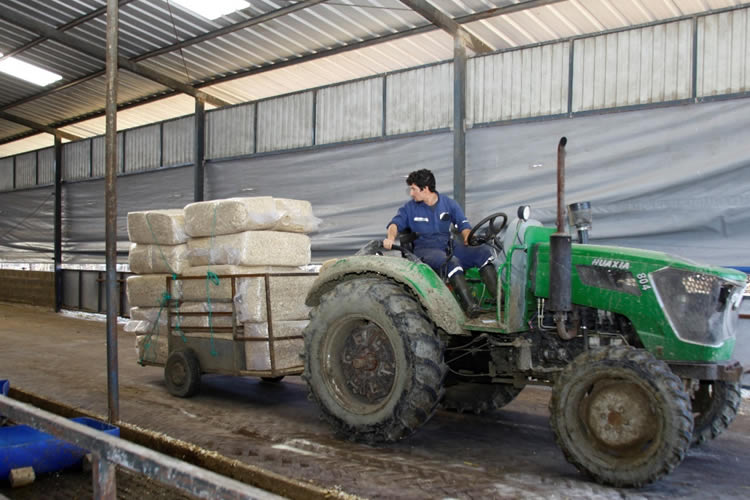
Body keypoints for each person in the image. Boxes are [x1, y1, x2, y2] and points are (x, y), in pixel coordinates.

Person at [383, 169, 497, 318]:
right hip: (425, 249)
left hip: (448, 244)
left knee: (483, 253)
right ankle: (470, 307)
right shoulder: (409, 208)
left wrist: (468, 238)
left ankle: (499, 300)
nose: (411, 193)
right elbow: (394, 225)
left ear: (425, 189)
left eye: (413, 189)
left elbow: (464, 225)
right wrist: (390, 238)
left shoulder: (448, 204)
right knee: (451, 262)